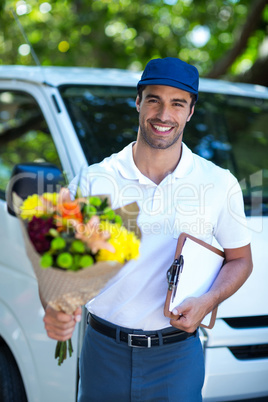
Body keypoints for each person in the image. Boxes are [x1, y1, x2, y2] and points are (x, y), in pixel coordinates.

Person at [43, 57, 253, 401]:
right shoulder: (96, 179)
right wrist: (53, 306)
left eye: (177, 103)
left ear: (191, 111)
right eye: (154, 99)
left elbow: (241, 260)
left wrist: (208, 301)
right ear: (138, 102)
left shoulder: (218, 183)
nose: (164, 115)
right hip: (102, 351)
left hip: (176, 356)